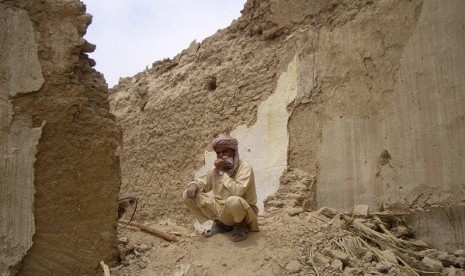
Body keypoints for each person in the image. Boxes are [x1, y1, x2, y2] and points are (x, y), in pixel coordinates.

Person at [182, 134, 259, 242]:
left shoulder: (245, 168)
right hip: (222, 212)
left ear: (233, 152)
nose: (221, 156)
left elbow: (238, 192)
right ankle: (221, 224)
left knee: (233, 201)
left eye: (225, 152)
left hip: (244, 214)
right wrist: (193, 185)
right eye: (218, 153)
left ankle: (241, 226)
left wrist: (222, 173)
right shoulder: (215, 170)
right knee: (187, 195)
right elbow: (199, 182)